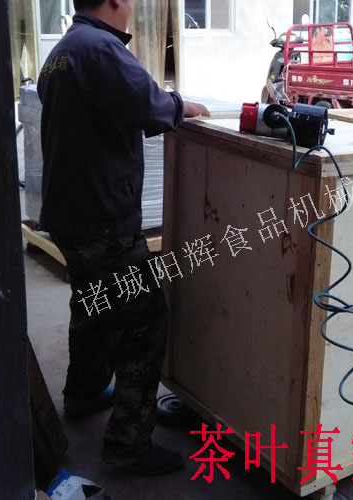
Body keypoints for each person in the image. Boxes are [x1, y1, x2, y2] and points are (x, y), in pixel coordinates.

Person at [37, 0, 209, 475]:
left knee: (91, 306)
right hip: (103, 219)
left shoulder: (63, 51)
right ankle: (128, 443)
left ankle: (84, 393)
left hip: (69, 216)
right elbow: (152, 107)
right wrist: (186, 106)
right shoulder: (101, 49)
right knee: (143, 323)